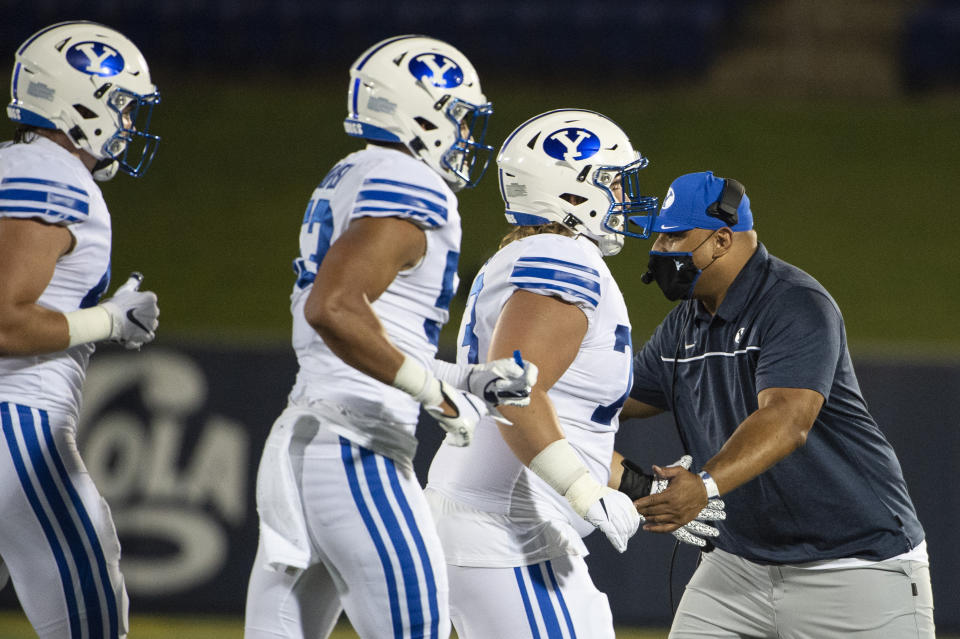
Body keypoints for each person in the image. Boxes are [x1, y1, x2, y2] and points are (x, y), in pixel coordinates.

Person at [243, 35, 536, 639]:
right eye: (457, 115)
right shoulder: (408, 180)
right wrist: (435, 392)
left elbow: (367, 331)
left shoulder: (355, 171)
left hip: (309, 438)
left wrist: (462, 379)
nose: (464, 132)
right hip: (359, 448)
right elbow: (336, 307)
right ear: (417, 112)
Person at [625, 171, 935, 638]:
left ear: (722, 239)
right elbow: (614, 397)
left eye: (674, 237)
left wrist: (704, 486)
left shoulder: (794, 302)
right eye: (660, 238)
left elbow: (787, 419)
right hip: (736, 568)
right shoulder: (683, 323)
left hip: (855, 567)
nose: (661, 251)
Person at [425, 109, 661, 638]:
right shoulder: (562, 257)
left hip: (501, 525)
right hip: (504, 531)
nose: (623, 198)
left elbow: (565, 416)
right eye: (613, 183)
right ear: (574, 193)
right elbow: (512, 392)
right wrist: (582, 489)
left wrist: (636, 483)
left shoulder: (540, 253)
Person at [0, 21, 162, 639]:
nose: (126, 121)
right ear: (78, 102)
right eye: (119, 103)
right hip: (18, 424)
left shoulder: (18, 166)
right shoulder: (54, 174)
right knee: (93, 622)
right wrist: (109, 321)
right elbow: (7, 320)